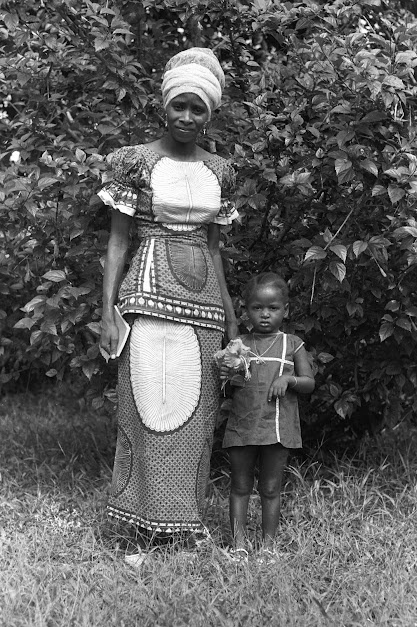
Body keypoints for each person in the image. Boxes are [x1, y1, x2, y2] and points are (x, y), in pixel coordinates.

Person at [98, 47, 239, 564]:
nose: (187, 117)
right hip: (147, 293)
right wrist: (107, 309)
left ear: (211, 113)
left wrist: (230, 319)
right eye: (179, 105)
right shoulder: (133, 161)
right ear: (164, 106)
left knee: (197, 411)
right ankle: (146, 524)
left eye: (197, 108)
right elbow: (117, 241)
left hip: (202, 302)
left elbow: (216, 248)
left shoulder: (222, 170)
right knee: (148, 404)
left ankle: (185, 527)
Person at [220, 272, 315, 564]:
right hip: (243, 425)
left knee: (271, 488)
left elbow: (309, 383)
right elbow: (225, 385)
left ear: (285, 310)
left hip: (277, 427)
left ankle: (268, 547)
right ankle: (239, 546)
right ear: (245, 309)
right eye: (257, 308)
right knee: (239, 485)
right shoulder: (239, 343)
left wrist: (289, 380)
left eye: (272, 308)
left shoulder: (292, 343)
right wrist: (228, 377)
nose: (264, 315)